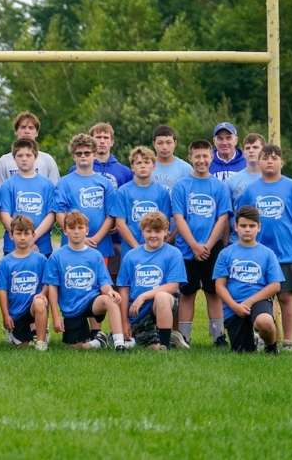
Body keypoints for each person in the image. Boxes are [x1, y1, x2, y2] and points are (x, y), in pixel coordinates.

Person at [235, 144, 292, 352]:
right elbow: (243, 217)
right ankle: (263, 336)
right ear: (258, 162)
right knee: (260, 296)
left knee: (286, 297)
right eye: (265, 157)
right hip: (258, 254)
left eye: (274, 157)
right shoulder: (251, 190)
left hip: (285, 252)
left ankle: (288, 341)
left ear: (281, 162)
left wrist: (284, 228)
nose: (270, 161)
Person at [172, 139, 232, 348]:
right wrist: (194, 245)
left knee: (213, 292)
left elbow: (222, 219)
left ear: (212, 157)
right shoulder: (182, 186)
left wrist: (207, 244)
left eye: (205, 156)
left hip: (212, 248)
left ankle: (218, 336)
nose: (201, 160)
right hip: (186, 248)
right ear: (190, 158)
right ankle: (184, 337)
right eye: (197, 156)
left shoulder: (219, 186)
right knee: (187, 293)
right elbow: (179, 219)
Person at [45, 211, 126, 351]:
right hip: (71, 309)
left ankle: (119, 343)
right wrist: (56, 316)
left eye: (80, 228)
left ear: (87, 230)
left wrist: (110, 291)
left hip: (91, 301)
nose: (76, 232)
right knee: (75, 348)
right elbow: (52, 288)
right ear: (65, 231)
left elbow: (104, 282)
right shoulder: (57, 257)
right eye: (72, 228)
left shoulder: (95, 255)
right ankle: (98, 341)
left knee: (109, 300)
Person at [213, 206, 282, 354]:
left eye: (252, 226)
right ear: (236, 227)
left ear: (259, 227)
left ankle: (271, 347)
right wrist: (234, 306)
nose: (247, 229)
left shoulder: (267, 253)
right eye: (243, 226)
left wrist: (249, 302)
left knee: (264, 322)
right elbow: (219, 286)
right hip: (234, 306)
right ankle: (255, 339)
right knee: (243, 352)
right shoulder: (225, 254)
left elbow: (275, 285)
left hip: (258, 301)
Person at [116, 211, 186, 351]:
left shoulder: (173, 253)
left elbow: (173, 286)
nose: (153, 235)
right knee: (147, 345)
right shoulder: (131, 256)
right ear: (142, 232)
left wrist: (144, 296)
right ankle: (168, 337)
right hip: (137, 311)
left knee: (162, 296)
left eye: (158, 231)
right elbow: (124, 290)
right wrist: (124, 322)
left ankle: (165, 346)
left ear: (166, 232)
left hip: (161, 305)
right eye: (149, 231)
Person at [53, 133, 115, 264]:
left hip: (99, 244)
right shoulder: (64, 182)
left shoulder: (105, 183)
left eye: (87, 153)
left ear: (94, 154)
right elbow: (59, 213)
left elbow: (110, 215)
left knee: (97, 281)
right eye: (79, 153)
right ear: (73, 156)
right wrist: (78, 238)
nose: (83, 156)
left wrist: (96, 238)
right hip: (72, 243)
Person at [0, 215, 49, 351]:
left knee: (39, 302)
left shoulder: (41, 260)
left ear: (33, 235)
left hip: (33, 309)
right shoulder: (5, 263)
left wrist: (42, 294)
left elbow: (48, 283)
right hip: (16, 313)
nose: (22, 237)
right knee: (22, 346)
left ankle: (41, 341)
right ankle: (18, 332)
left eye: (26, 233)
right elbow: (2, 291)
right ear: (11, 235)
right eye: (18, 233)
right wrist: (6, 316)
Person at [110, 146, 172, 258]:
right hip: (131, 250)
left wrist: (154, 246)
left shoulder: (162, 192)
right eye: (138, 163)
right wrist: (137, 248)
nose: (143, 165)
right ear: (132, 167)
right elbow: (120, 224)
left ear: (153, 166)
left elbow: (165, 223)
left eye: (147, 162)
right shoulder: (123, 191)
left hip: (157, 250)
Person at [0, 138, 56, 258]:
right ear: (14, 158)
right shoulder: (8, 185)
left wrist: (32, 238)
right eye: (20, 155)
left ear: (35, 156)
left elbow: (51, 216)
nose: (24, 159)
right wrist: (20, 238)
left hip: (41, 246)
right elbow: (4, 214)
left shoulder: (47, 185)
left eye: (28, 155)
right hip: (13, 246)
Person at [0, 111, 61, 185]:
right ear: (16, 131)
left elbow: (55, 189)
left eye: (31, 128)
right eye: (23, 127)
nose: (27, 131)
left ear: (37, 133)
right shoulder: (3, 162)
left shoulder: (48, 160)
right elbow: (0, 192)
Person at [225, 133, 265, 204]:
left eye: (255, 147)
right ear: (243, 152)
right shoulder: (231, 181)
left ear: (264, 151)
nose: (251, 151)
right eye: (247, 148)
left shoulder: (273, 178)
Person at [150, 125, 192, 191]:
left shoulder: (186, 169)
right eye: (160, 143)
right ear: (154, 144)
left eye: (168, 142)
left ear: (175, 143)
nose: (164, 147)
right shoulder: (146, 167)